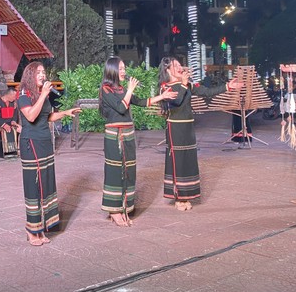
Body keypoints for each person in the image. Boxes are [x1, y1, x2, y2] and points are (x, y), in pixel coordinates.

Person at [99, 56, 177, 227]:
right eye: (120, 69)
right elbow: (121, 108)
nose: (123, 71)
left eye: (124, 68)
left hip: (127, 133)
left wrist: (162, 96)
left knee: (128, 170)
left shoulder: (121, 89)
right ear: (112, 70)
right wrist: (129, 89)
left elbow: (141, 102)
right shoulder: (106, 90)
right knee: (115, 171)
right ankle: (114, 211)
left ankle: (124, 207)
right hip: (114, 135)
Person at [158, 57, 241, 211]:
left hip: (188, 127)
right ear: (168, 70)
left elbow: (206, 92)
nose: (180, 67)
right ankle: (178, 198)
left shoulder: (187, 84)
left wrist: (227, 86)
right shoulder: (165, 87)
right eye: (175, 66)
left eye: (179, 64)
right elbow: (176, 102)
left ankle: (186, 195)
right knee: (178, 162)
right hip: (175, 128)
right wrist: (183, 84)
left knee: (188, 161)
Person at [17, 62, 80, 246]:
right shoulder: (24, 95)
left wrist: (65, 112)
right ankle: (31, 230)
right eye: (38, 72)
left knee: (46, 185)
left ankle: (42, 228)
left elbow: (48, 116)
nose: (43, 75)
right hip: (31, 144)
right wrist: (44, 94)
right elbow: (30, 116)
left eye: (44, 72)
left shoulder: (41, 95)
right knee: (34, 187)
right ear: (30, 75)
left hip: (45, 143)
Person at [0, 87, 21, 160]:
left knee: (22, 130)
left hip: (10, 122)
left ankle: (17, 150)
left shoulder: (13, 103)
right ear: (9, 95)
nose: (15, 98)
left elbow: (15, 114)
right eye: (14, 96)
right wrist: (3, 125)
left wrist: (14, 121)